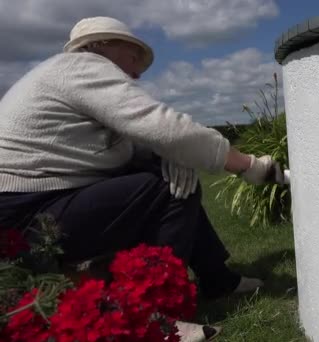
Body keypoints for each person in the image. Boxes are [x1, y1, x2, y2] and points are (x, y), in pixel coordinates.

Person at [0, 16, 285, 341]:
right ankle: (154, 315)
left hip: (29, 210)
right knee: (168, 188)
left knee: (175, 175)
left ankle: (218, 280)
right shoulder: (81, 66)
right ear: (100, 45)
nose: (137, 73)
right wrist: (248, 164)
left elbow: (134, 148)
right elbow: (164, 127)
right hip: (24, 216)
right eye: (134, 57)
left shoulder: (65, 78)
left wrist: (170, 157)